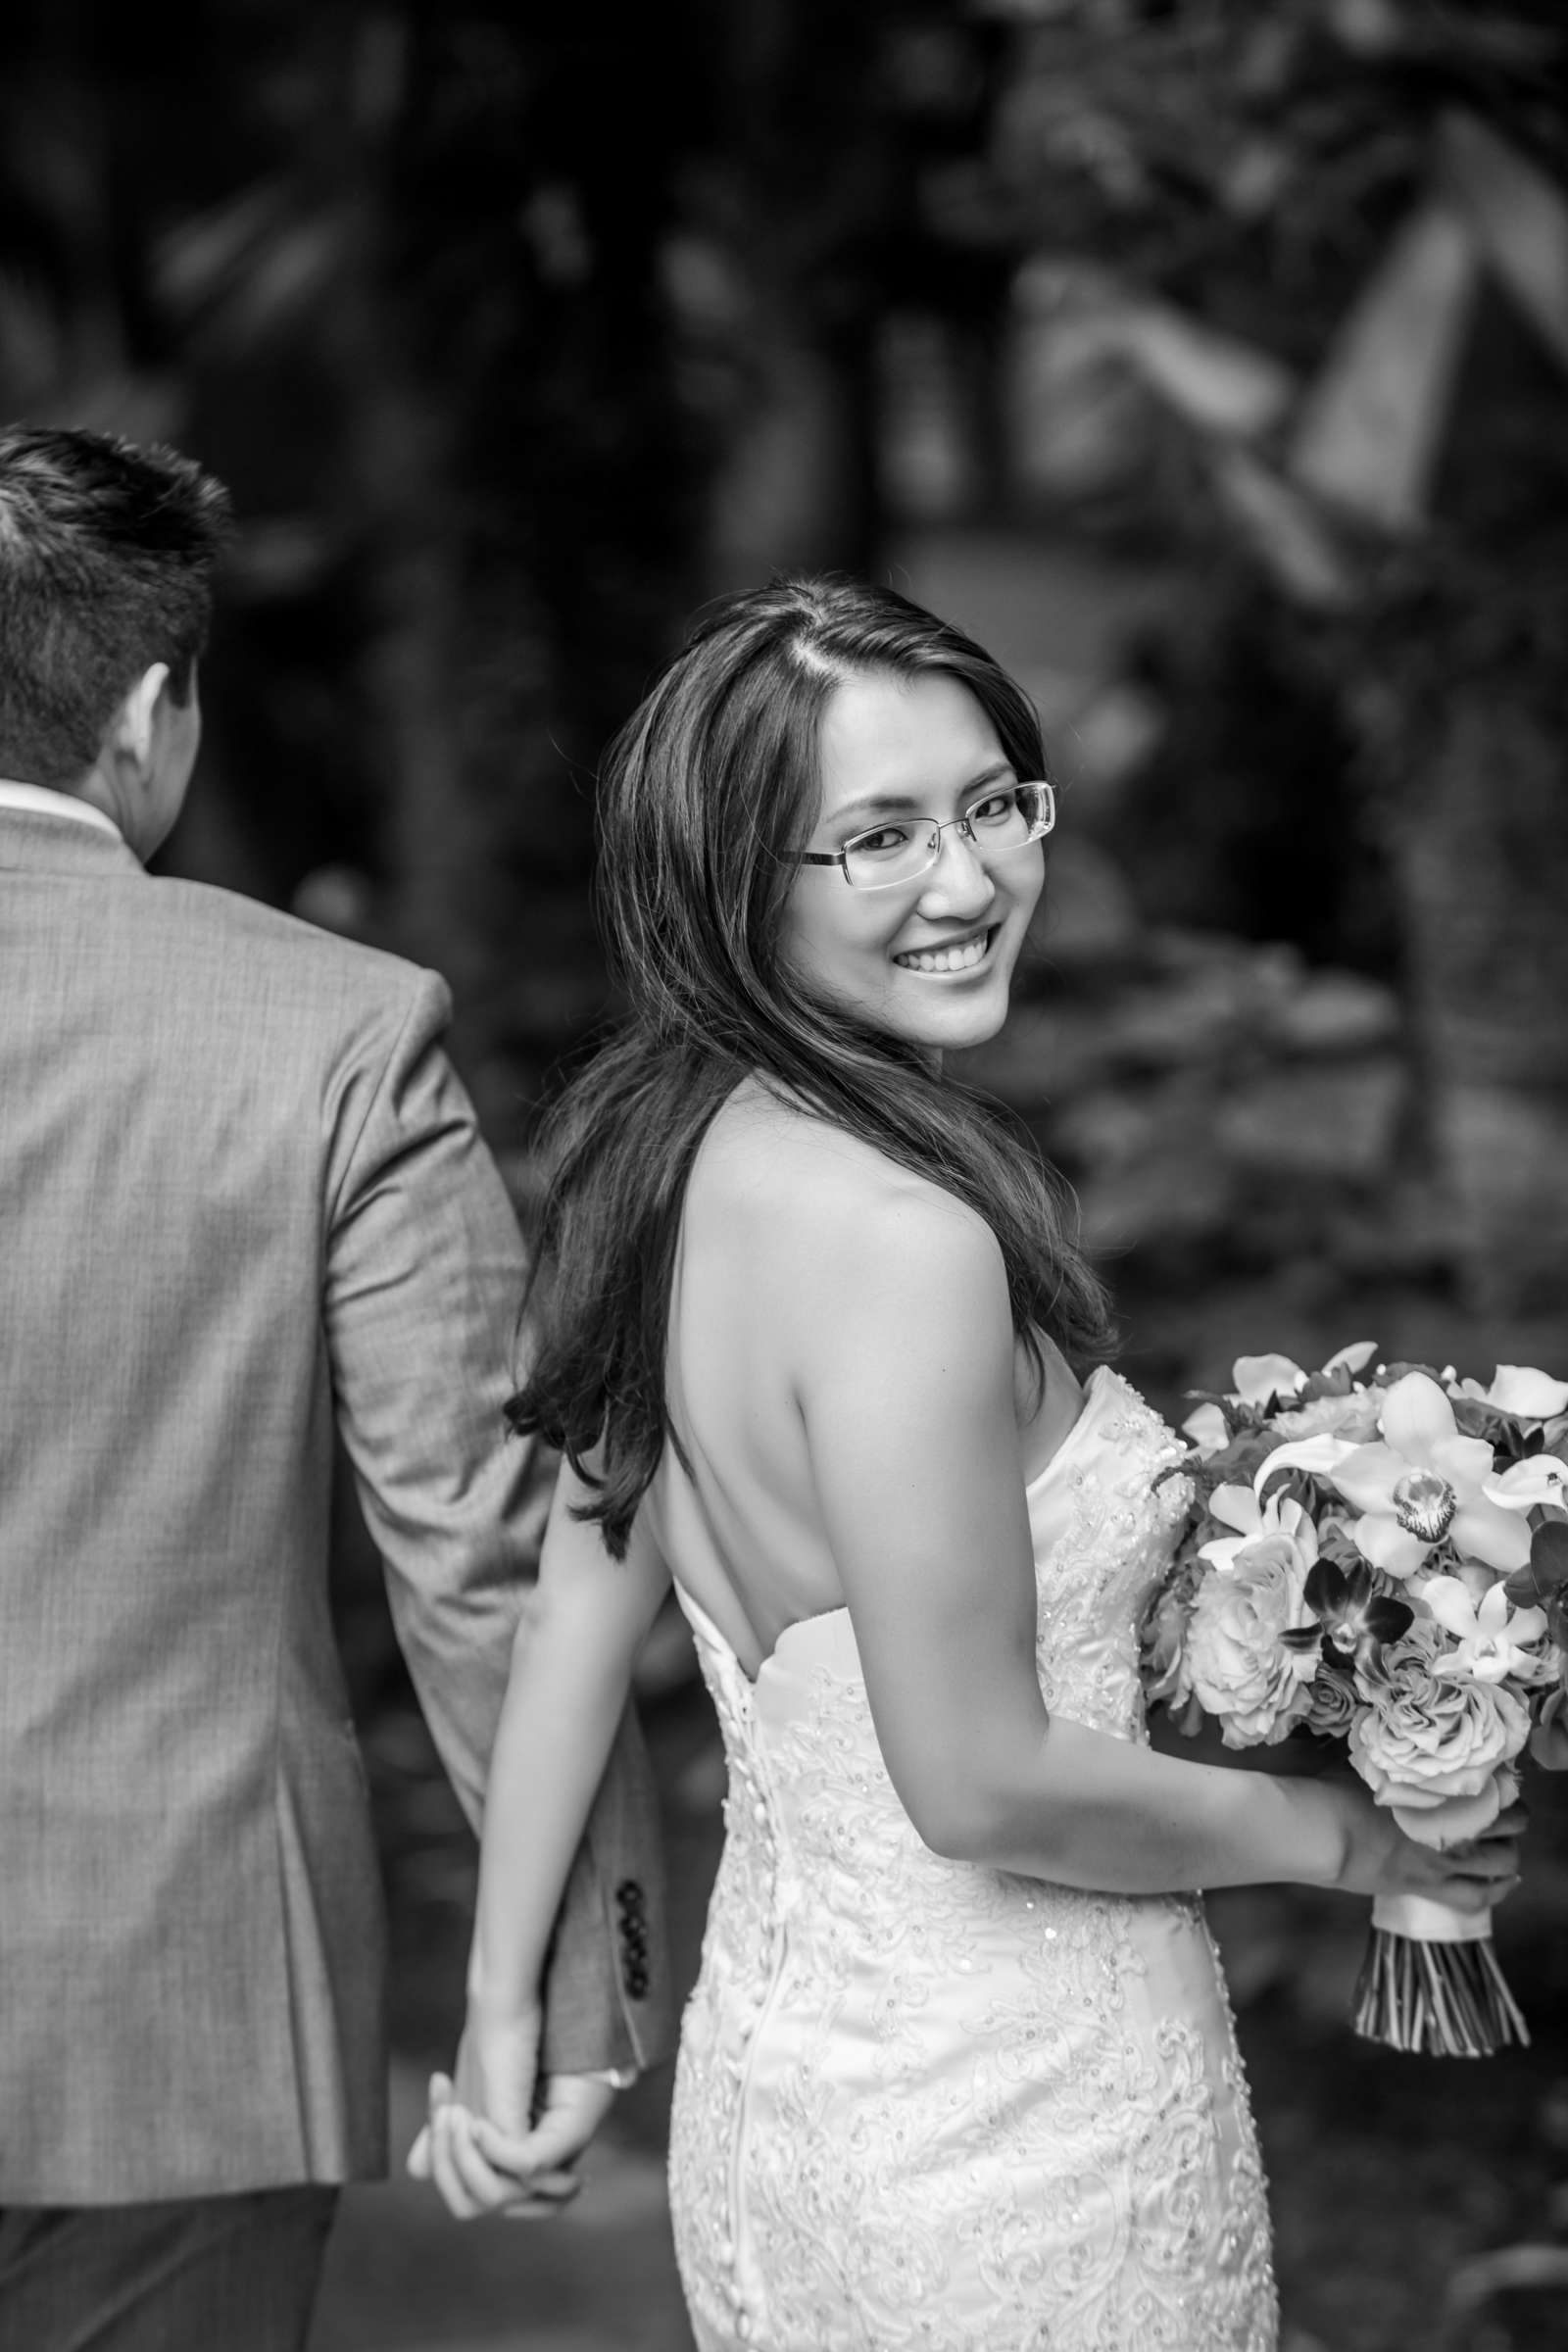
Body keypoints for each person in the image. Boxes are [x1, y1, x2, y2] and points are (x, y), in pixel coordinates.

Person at [418, 576, 1523, 2348]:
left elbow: (571, 1610)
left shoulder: (655, 1163)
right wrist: (1348, 1837)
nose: (967, 880)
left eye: (995, 804)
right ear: (732, 879)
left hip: (787, 2114)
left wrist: (505, 2018)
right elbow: (981, 1783)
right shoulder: (904, 1244)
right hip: (1022, 2157)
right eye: (876, 838)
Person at [0, 424, 669, 2352]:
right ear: (149, 711)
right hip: (178, 2000)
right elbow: (475, 1546)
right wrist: (561, 1994)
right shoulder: (334, 1030)